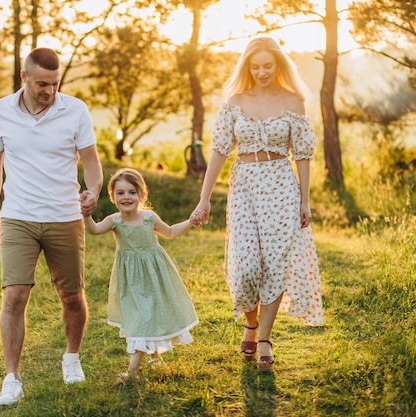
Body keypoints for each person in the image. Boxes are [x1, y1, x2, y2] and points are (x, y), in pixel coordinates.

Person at [189, 36, 323, 373]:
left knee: (276, 262)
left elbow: (303, 155)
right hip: (245, 184)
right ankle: (250, 323)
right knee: (247, 265)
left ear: (279, 65)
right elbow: (219, 150)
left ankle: (263, 338)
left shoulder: (294, 102)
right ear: (247, 66)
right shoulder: (235, 101)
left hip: (281, 184)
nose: (262, 71)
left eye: (268, 65)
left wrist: (305, 201)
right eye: (256, 66)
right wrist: (204, 198)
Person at [0, 47, 103, 405]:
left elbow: (92, 163)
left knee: (71, 296)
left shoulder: (76, 110)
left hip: (65, 216)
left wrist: (93, 190)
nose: (49, 90)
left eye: (54, 83)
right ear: (24, 78)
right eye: (41, 84)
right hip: (17, 215)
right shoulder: (0, 112)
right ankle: (12, 379)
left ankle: (71, 358)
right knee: (14, 296)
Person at [84, 168, 199, 382]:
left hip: (156, 276)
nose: (126, 197)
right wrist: (86, 215)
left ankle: (136, 370)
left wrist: (191, 221)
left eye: (131, 192)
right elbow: (95, 230)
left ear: (142, 195)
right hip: (131, 280)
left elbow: (171, 232)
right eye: (120, 193)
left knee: (151, 314)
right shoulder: (115, 220)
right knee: (140, 319)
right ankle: (139, 367)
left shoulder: (148, 218)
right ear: (113, 197)